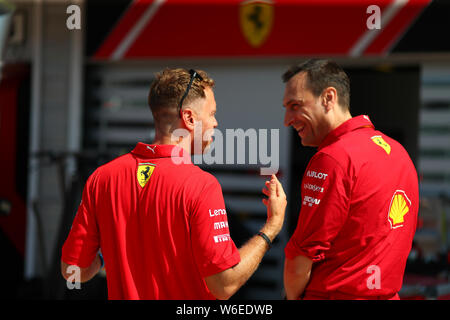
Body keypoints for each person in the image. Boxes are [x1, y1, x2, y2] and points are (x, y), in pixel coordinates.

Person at [60, 68, 287, 300]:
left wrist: (108, 257)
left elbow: (72, 271)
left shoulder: (102, 178)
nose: (216, 123)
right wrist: (271, 228)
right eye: (212, 113)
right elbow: (224, 285)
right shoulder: (201, 185)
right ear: (189, 118)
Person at [282, 59, 419, 300]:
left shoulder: (332, 158)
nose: (287, 119)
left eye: (295, 106)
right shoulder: (400, 153)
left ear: (328, 98)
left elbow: (300, 259)